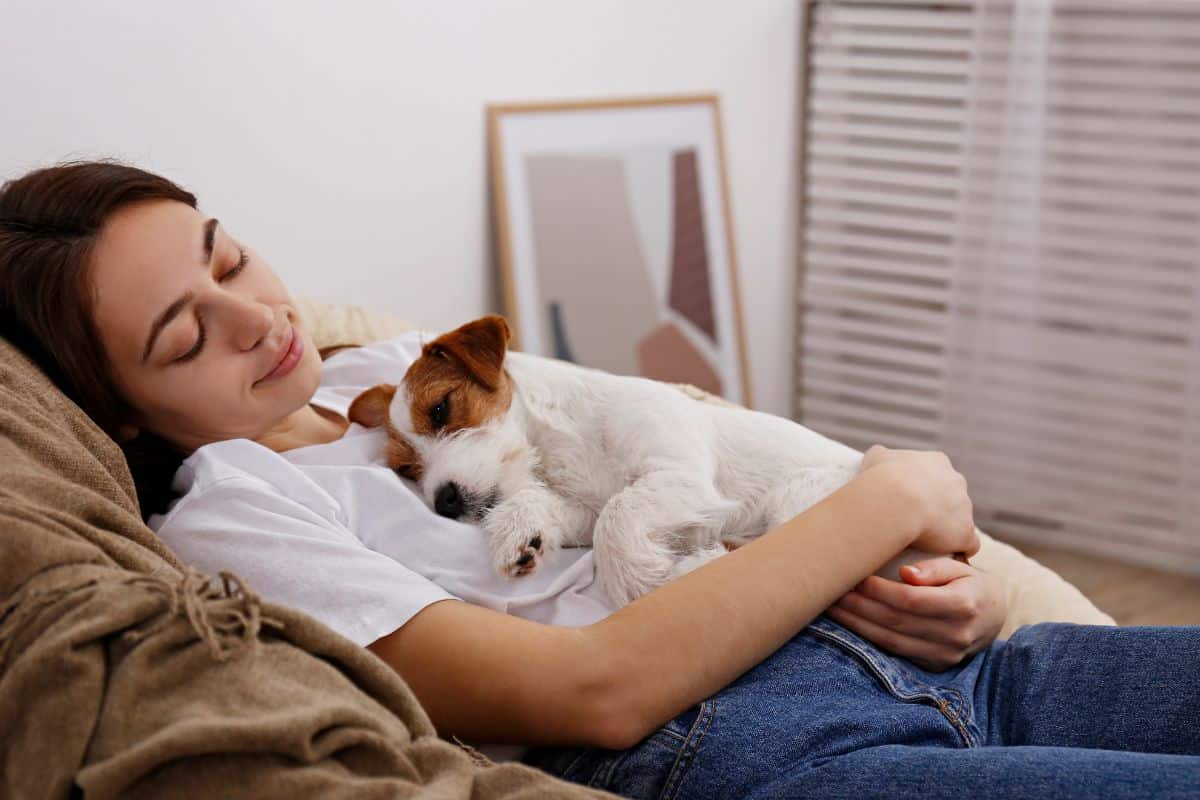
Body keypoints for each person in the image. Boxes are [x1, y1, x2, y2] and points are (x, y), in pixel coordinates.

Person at [0, 160, 1195, 799]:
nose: (256, 313)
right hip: (775, 744)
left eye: (228, 255)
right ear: (113, 408)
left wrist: (957, 578)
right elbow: (594, 692)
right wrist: (887, 499)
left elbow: (671, 434)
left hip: (940, 650)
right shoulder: (235, 514)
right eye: (183, 335)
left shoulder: (382, 363)